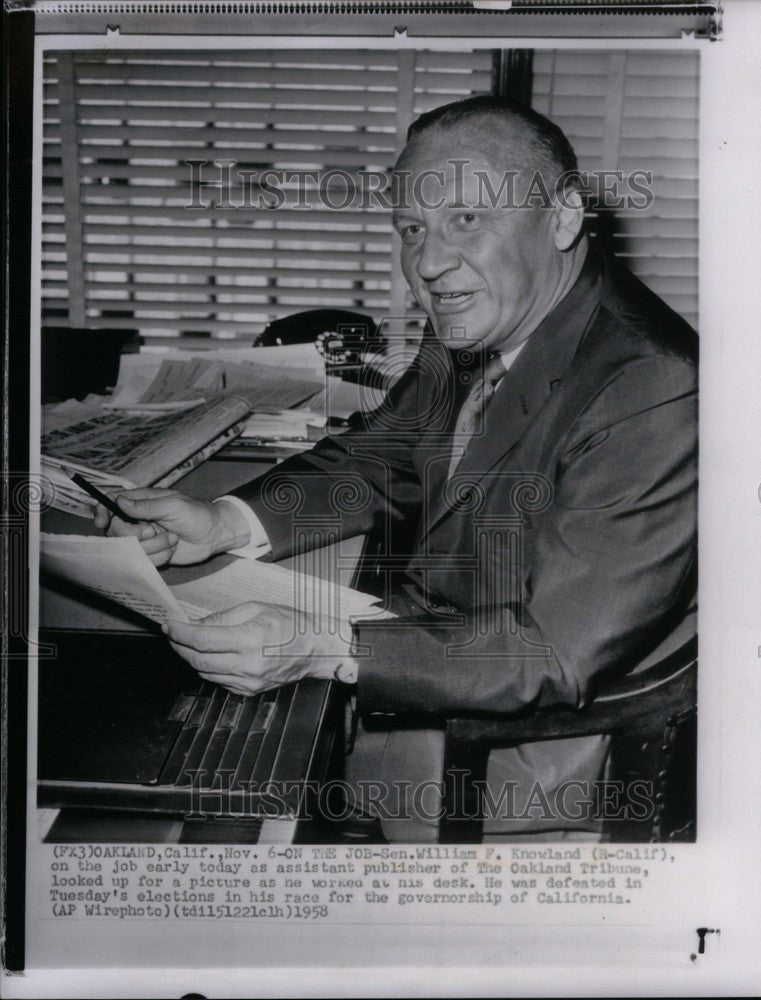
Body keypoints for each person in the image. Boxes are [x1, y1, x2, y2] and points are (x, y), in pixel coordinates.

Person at [95, 96, 698, 842]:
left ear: (565, 216)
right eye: (411, 229)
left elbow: (551, 650)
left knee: (193, 790)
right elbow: (383, 457)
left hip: (524, 741)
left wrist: (323, 646)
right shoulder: (487, 312)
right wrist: (224, 520)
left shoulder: (651, 383)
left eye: (465, 220)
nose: (429, 264)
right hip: (441, 653)